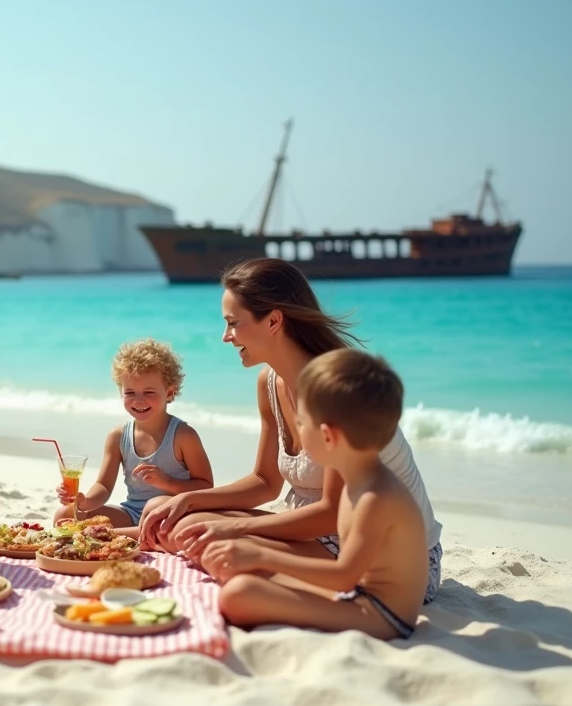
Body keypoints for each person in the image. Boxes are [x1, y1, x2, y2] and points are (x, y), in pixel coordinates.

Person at [139, 257, 443, 603]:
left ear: (273, 321)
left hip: (392, 559)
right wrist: (189, 498)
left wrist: (234, 527)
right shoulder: (269, 382)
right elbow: (266, 482)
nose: (226, 337)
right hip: (317, 533)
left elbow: (332, 512)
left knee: (206, 540)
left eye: (233, 324)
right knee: (175, 516)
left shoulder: (336, 388)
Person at [202, 349, 427, 640]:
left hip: (381, 615)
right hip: (356, 595)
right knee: (242, 577)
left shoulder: (374, 498)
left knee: (239, 594)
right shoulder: (357, 479)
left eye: (301, 422)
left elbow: (344, 576)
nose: (297, 429)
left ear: (328, 437)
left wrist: (261, 554)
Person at [55, 338, 213, 531]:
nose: (139, 400)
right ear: (120, 391)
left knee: (158, 520)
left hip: (171, 515)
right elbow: (104, 486)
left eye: (148, 392)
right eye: (130, 392)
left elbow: (205, 487)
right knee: (63, 516)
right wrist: (85, 502)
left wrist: (167, 482)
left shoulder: (183, 435)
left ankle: (121, 535)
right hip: (131, 514)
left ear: (170, 392)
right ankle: (126, 534)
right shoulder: (118, 436)